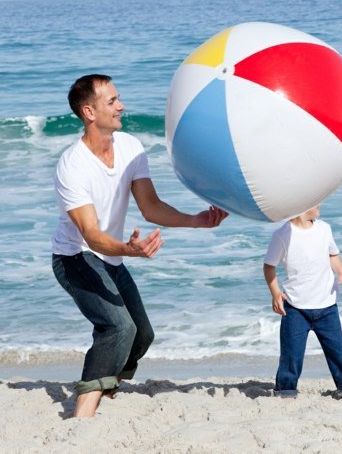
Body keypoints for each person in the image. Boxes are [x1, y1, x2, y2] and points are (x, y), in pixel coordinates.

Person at [51, 74, 228, 418]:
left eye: (119, 98)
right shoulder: (72, 165)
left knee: (141, 335)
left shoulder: (130, 147)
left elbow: (151, 207)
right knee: (118, 327)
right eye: (112, 101)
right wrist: (129, 250)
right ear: (89, 111)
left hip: (111, 257)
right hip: (75, 257)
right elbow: (90, 234)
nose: (122, 106)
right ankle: (83, 410)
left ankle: (108, 388)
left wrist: (197, 220)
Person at [263, 205, 342, 399]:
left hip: (327, 305)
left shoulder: (324, 229)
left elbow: (332, 254)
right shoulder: (283, 235)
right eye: (315, 201)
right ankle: (286, 391)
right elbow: (269, 266)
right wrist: (275, 293)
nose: (320, 205)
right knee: (291, 354)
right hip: (296, 308)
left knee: (337, 350)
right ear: (301, 205)